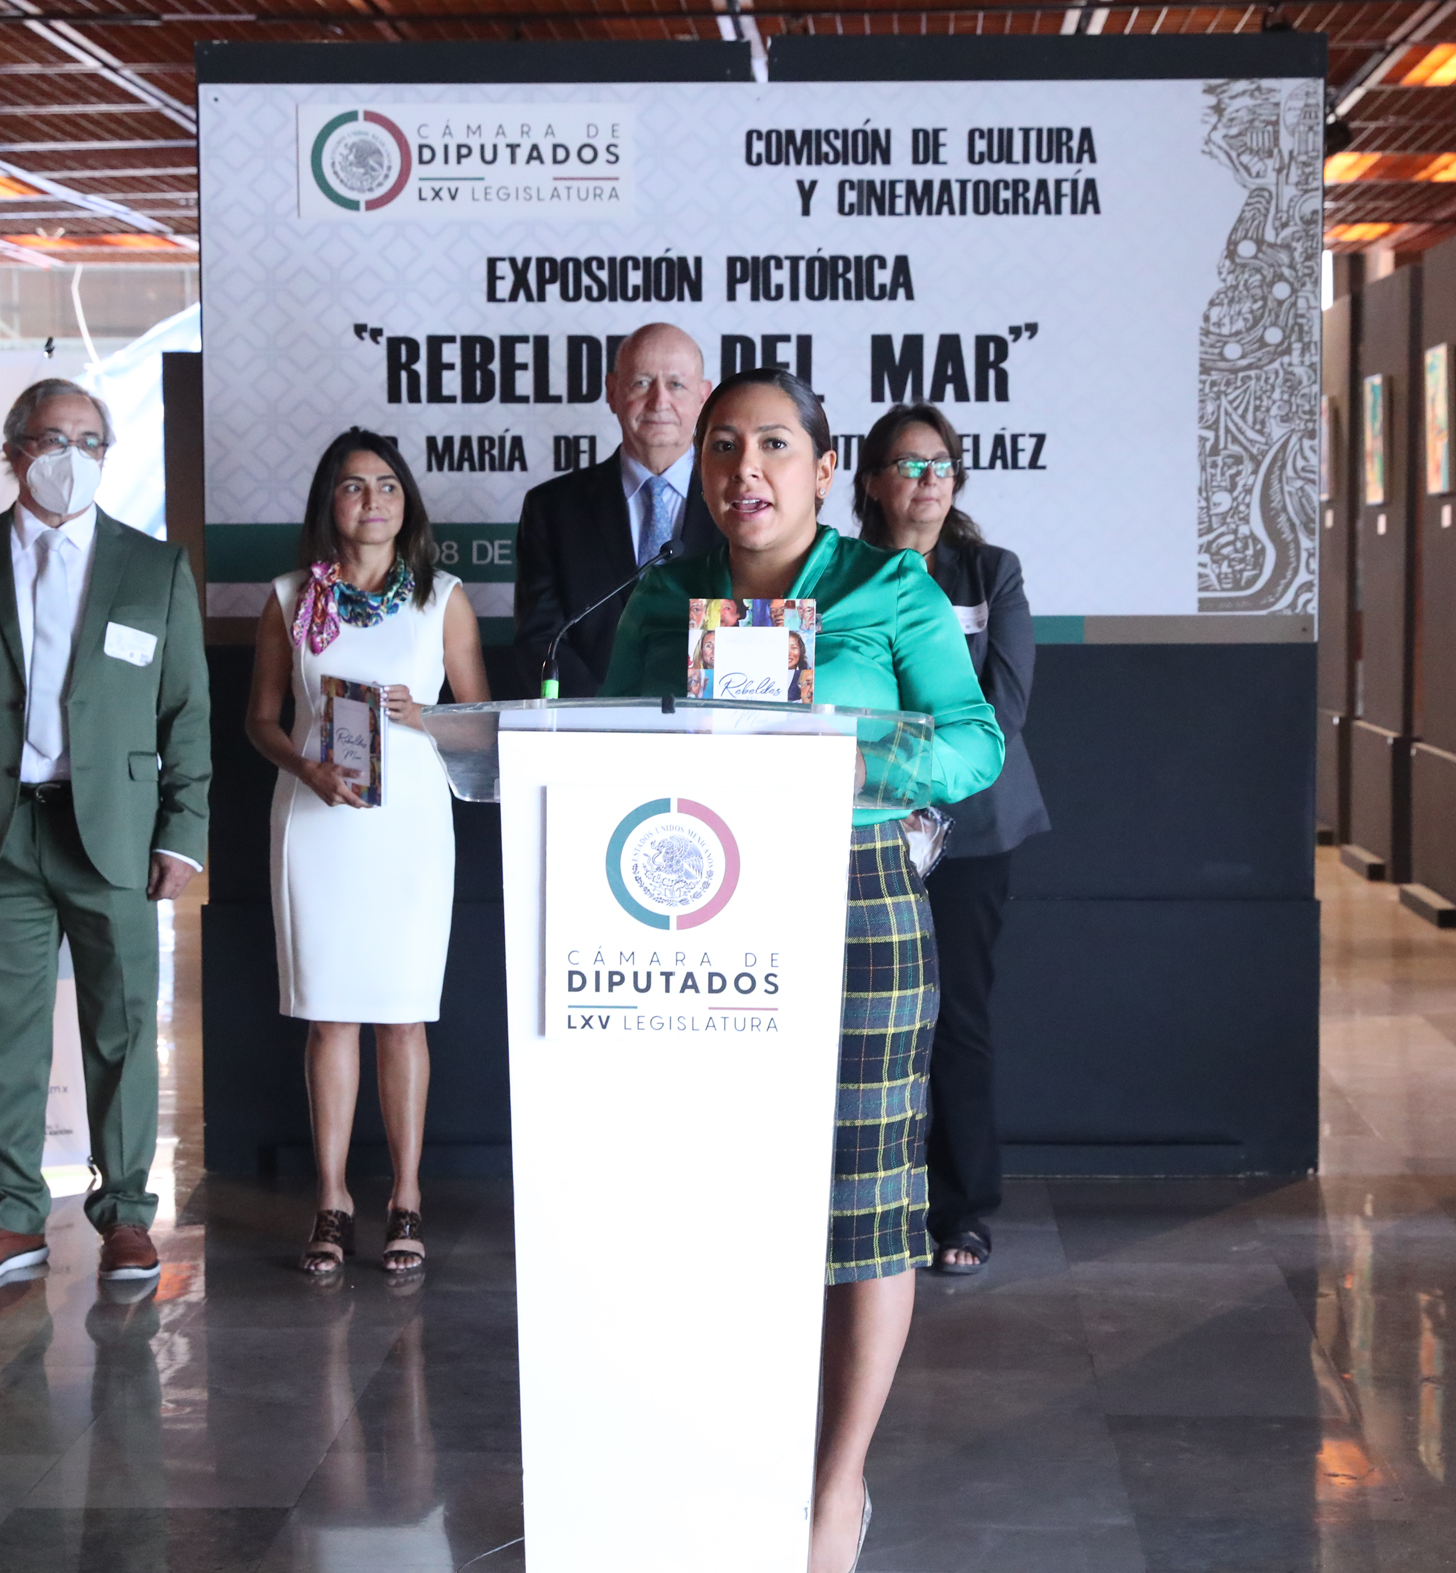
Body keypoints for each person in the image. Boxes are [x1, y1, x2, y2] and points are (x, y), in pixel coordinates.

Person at [603, 369, 1004, 1573]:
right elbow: (610, 743)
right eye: (724, 447)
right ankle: (735, 1450)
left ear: (826, 471)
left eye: (775, 445)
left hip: (855, 896)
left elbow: (975, 742)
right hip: (695, 912)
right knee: (718, 1196)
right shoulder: (663, 594)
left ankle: (836, 1487)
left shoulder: (887, 587)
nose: (747, 471)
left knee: (865, 1201)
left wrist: (853, 756)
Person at [0, 376, 210, 1287]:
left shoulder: (154, 569)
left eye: (90, 440)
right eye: (52, 438)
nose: (72, 456)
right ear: (15, 452)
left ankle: (126, 1214)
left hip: (113, 835)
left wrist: (182, 830)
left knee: (123, 1031)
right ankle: (11, 1217)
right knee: (3, 1035)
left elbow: (186, 712)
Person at [245, 428, 489, 1278]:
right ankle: (332, 1200)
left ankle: (406, 1197)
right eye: (353, 485)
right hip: (319, 820)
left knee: (403, 1013)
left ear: (406, 501)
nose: (373, 499)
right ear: (330, 502)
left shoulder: (442, 597)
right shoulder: (290, 597)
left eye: (387, 484)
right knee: (330, 1013)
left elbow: (480, 721)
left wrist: (427, 714)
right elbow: (261, 720)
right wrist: (306, 765)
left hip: (410, 826)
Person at [853, 403, 1052, 1277]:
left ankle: (962, 1211)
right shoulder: (840, 574)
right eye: (909, 464)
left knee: (955, 1017)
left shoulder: (990, 572)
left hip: (969, 829)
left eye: (941, 464)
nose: (928, 480)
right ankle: (861, 1201)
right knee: (862, 1019)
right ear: (871, 481)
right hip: (862, 825)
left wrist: (905, 774)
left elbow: (1000, 711)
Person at [513, 323, 726, 694]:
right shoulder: (551, 508)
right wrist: (605, 713)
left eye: (676, 384)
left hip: (713, 718)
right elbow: (540, 638)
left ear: (703, 397)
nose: (659, 401)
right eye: (641, 382)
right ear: (612, 392)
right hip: (589, 722)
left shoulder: (740, 503)